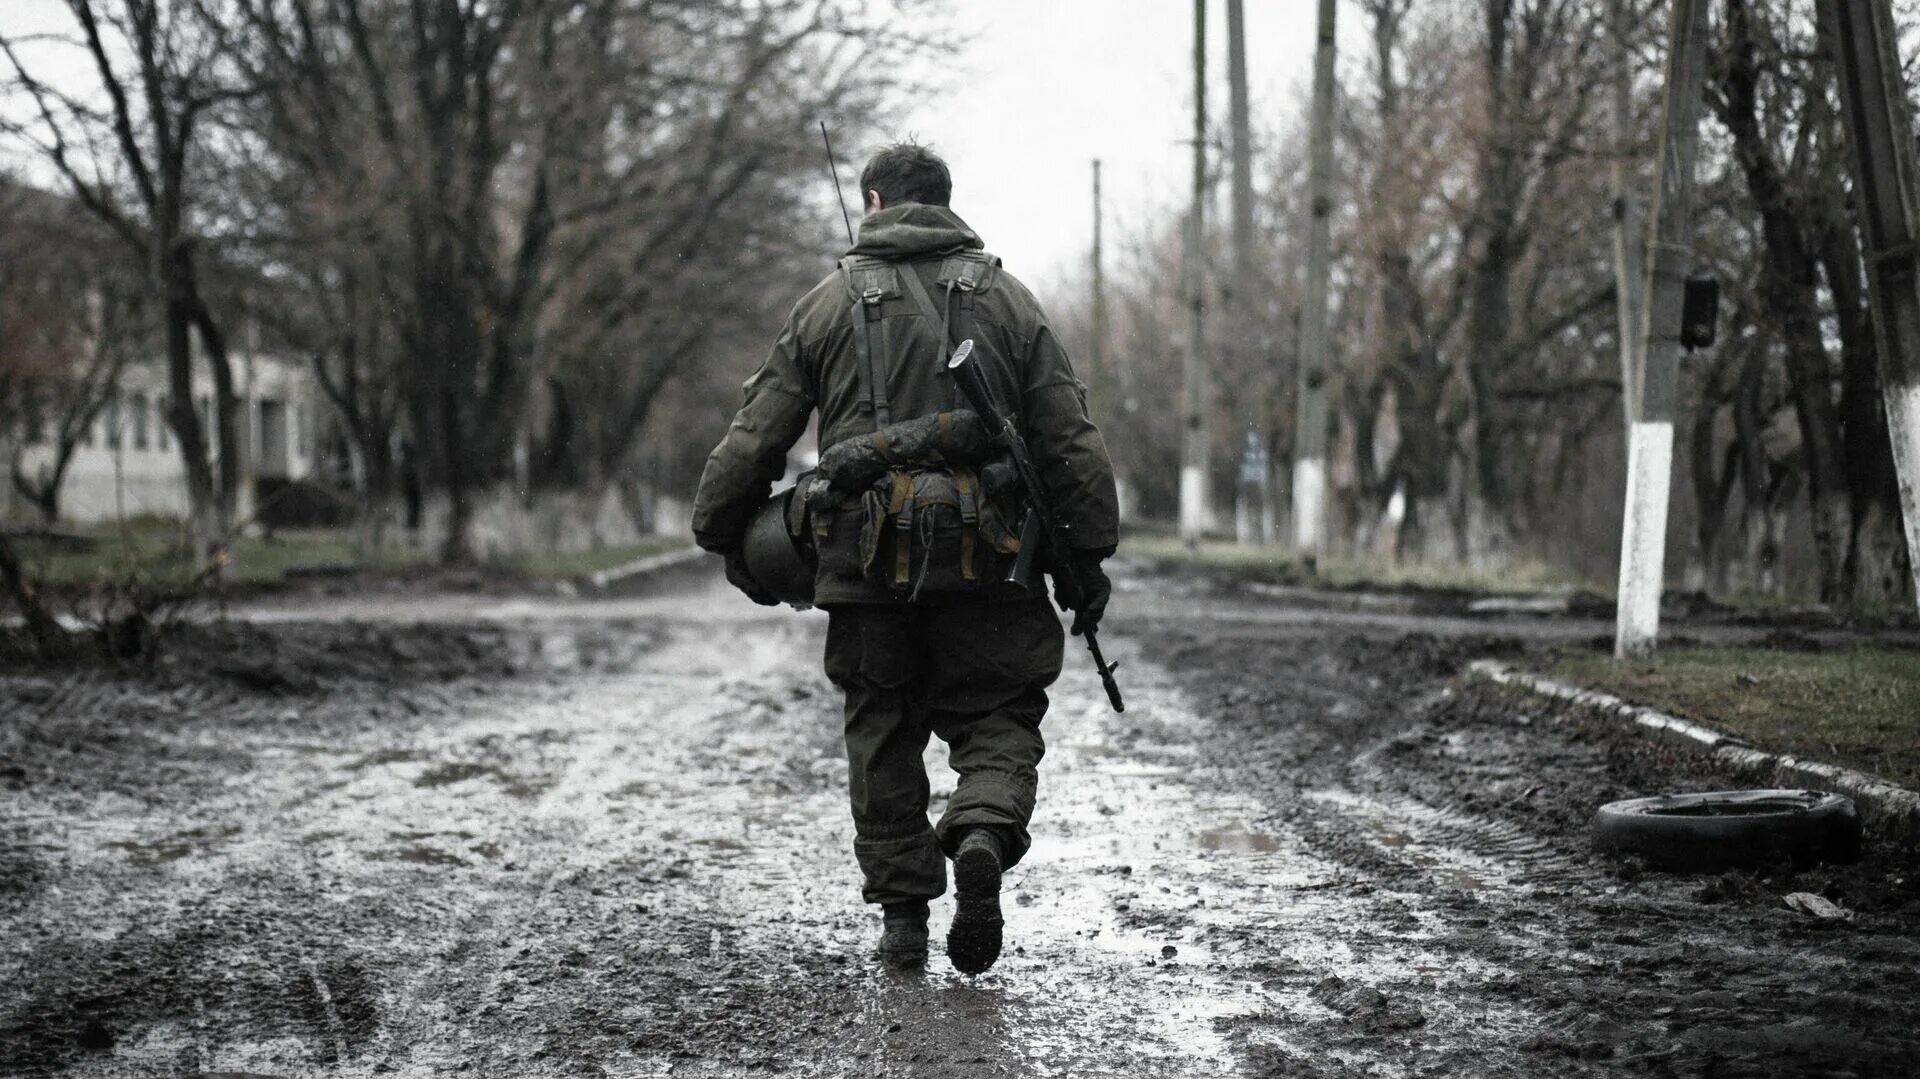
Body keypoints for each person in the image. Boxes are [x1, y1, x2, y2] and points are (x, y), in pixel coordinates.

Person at [690, 141, 1118, 974]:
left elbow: (756, 435)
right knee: (998, 715)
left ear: (875, 201)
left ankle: (903, 922)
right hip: (992, 563)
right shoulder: (1010, 301)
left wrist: (722, 527)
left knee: (881, 732)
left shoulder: (826, 305)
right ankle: (983, 834)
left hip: (863, 567)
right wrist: (1087, 560)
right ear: (947, 204)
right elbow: (1070, 443)